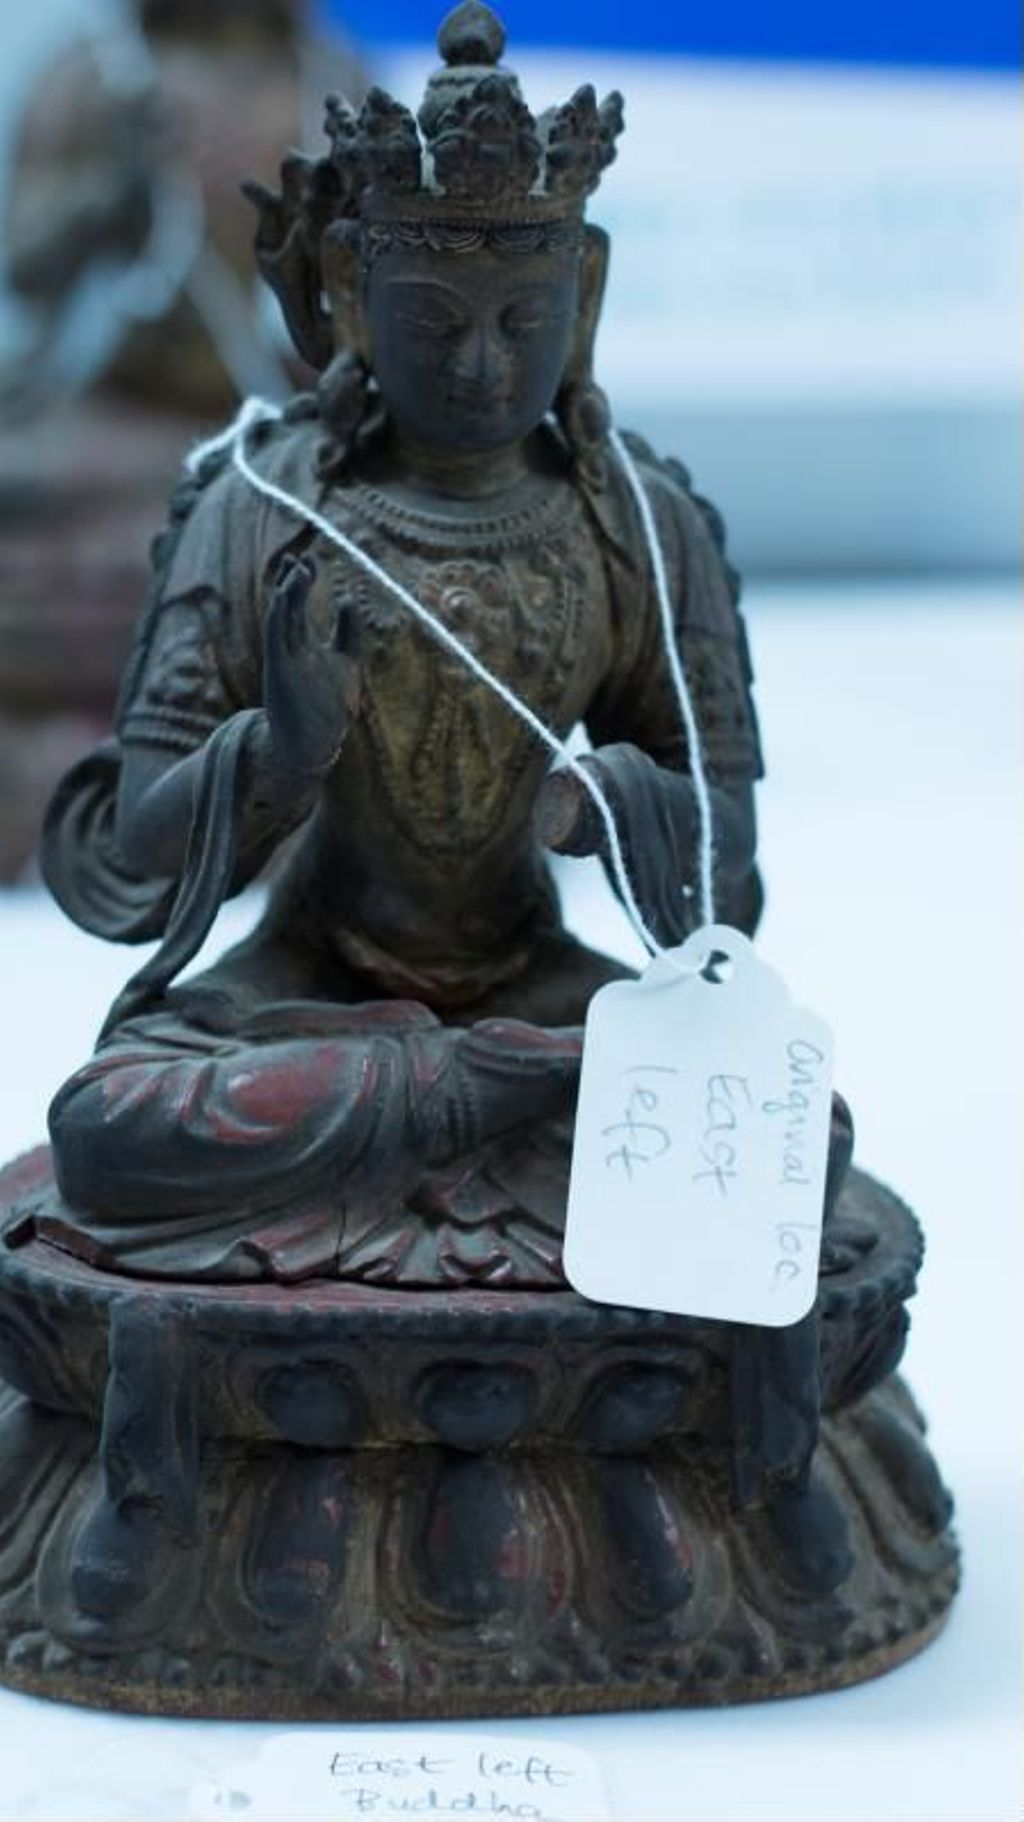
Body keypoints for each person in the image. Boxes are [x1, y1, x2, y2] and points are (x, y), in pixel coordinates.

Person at [39, 0, 766, 1291]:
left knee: (785, 1129)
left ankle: (470, 1104)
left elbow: (727, 872)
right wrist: (279, 751)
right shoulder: (257, 509)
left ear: (581, 291)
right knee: (106, 1129)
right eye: (435, 323)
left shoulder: (639, 522)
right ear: (351, 304)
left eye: (521, 320)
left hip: (538, 989)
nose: (485, 367)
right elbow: (125, 862)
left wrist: (625, 803)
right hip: (302, 990)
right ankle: (476, 1106)